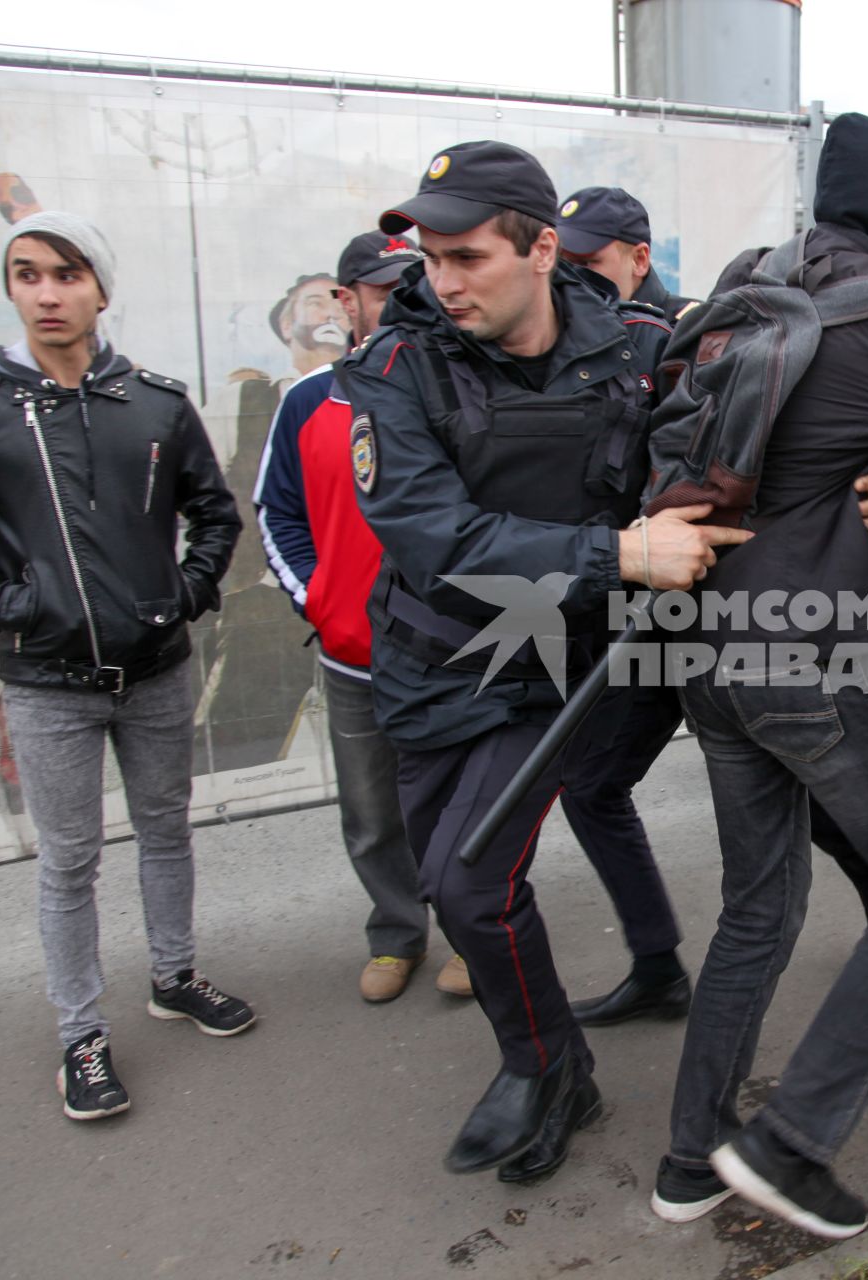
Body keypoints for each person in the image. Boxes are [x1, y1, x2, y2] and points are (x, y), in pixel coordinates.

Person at [342, 141, 744, 1184]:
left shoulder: (643, 341)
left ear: (542, 248)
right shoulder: (398, 366)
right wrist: (616, 552)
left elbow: (733, 427)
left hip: (565, 660)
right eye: (430, 259)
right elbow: (433, 533)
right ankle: (558, 1061)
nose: (444, 280)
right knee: (454, 887)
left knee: (471, 884)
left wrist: (846, 485)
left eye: (468, 255)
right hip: (442, 661)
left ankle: (541, 1065)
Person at [649, 114, 868, 1239]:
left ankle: (689, 1156)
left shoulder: (758, 278)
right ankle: (791, 1146)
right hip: (808, 656)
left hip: (703, 643)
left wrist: (860, 468)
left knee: (760, 903)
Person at [0, 212, 250, 1122]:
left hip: (158, 670)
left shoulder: (156, 403)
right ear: (12, 288)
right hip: (47, 682)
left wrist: (188, 593)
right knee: (69, 860)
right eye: (27, 275)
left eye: (67, 273)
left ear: (102, 286)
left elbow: (216, 516)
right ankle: (80, 1036)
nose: (47, 293)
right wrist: (21, 608)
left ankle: (174, 977)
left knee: (167, 829)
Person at [254, 230, 483, 1002]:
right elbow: (277, 513)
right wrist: (319, 600)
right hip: (353, 655)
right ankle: (396, 934)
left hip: (452, 650)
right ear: (348, 302)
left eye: (420, 278)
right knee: (374, 813)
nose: (412, 296)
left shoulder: (463, 387)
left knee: (463, 806)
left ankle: (471, 935)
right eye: (389, 287)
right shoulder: (308, 402)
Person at [554, 186, 697, 323]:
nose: (569, 275)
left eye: (586, 263)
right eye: (561, 264)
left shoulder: (687, 330)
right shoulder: (553, 328)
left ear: (639, 259)